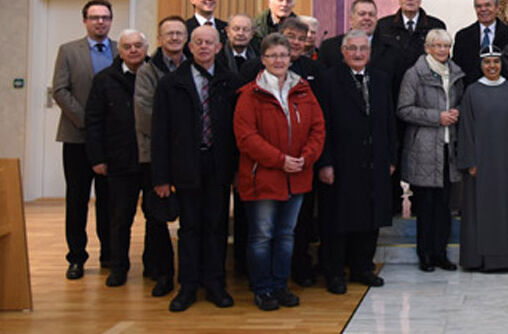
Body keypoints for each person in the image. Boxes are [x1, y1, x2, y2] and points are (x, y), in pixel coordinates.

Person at [234, 32, 326, 311]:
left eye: (283, 55)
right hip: (262, 176)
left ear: (291, 58)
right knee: (262, 236)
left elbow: (317, 128)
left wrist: (305, 157)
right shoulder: (250, 94)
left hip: (296, 175)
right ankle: (262, 289)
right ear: (263, 59)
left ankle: (279, 285)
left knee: (287, 235)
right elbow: (246, 137)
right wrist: (279, 160)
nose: (278, 60)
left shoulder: (303, 90)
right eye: (272, 55)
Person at [151, 25, 239, 312]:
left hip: (219, 165)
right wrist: (161, 177)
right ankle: (187, 286)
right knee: (189, 228)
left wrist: (237, 170)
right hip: (185, 165)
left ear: (218, 47)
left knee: (215, 227)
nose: (203, 47)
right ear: (190, 47)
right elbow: (160, 133)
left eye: (209, 43)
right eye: (198, 42)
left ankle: (215, 284)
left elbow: (237, 132)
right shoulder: (171, 83)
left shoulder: (230, 81)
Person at [315, 30, 396, 293]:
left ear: (370, 52)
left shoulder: (381, 80)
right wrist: (325, 162)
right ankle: (334, 272)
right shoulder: (327, 80)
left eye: (363, 49)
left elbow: (388, 122)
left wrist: (391, 157)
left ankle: (363, 267)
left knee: (369, 218)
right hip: (340, 163)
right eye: (352, 49)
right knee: (338, 220)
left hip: (374, 160)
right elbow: (321, 125)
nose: (358, 54)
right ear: (343, 51)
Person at [52, 0, 116, 280]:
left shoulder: (120, 50)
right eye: (94, 17)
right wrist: (88, 123)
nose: (100, 22)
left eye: (105, 17)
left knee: (109, 201)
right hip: (77, 138)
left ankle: (110, 254)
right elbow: (60, 90)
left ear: (111, 21)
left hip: (110, 141)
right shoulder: (68, 51)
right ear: (85, 21)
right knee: (77, 200)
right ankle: (76, 257)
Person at [85, 29, 148, 288]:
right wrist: (97, 157)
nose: (133, 50)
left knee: (155, 217)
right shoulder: (104, 79)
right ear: (119, 51)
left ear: (146, 48)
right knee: (120, 217)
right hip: (119, 159)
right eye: (127, 46)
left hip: (151, 159)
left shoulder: (156, 76)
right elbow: (94, 121)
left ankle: (154, 267)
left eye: (138, 45)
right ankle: (118, 267)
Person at [398, 29, 464, 272]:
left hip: (449, 150)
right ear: (427, 48)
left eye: (446, 46)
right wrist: (437, 117)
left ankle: (440, 253)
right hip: (423, 149)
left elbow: (459, 103)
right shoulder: (414, 74)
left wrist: (457, 112)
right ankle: (425, 254)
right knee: (426, 206)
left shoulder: (456, 73)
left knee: (445, 206)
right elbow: (404, 109)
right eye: (437, 46)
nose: (442, 50)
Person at [456, 46, 508, 271]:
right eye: (487, 63)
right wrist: (470, 162)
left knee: (507, 211)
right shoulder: (472, 92)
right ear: (481, 65)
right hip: (482, 165)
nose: (492, 67)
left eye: (495, 62)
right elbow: (465, 128)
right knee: (481, 212)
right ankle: (479, 260)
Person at [133, 15, 185, 294]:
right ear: (160, 38)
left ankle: (188, 273)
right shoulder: (147, 71)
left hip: (188, 156)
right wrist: (179, 135)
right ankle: (162, 273)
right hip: (155, 154)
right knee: (157, 217)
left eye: (179, 33)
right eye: (169, 34)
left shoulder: (193, 67)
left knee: (189, 216)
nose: (175, 38)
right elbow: (144, 116)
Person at [375, 0, 447, 89]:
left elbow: (444, 59)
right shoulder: (383, 26)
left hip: (426, 87)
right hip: (392, 87)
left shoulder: (436, 26)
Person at [454, 0, 508, 86]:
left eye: (488, 5)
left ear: (497, 8)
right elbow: (457, 69)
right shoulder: (463, 36)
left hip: (503, 92)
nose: (483, 9)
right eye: (479, 6)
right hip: (471, 93)